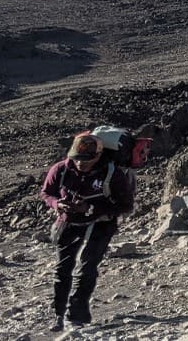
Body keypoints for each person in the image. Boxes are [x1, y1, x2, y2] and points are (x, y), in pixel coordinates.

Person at [40, 132, 136, 331]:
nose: (81, 164)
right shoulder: (60, 169)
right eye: (77, 159)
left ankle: (77, 315)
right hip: (68, 222)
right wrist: (57, 204)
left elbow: (126, 205)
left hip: (100, 224)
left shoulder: (112, 174)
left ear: (98, 156)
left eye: (87, 160)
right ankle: (58, 315)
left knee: (87, 267)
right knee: (62, 268)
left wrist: (92, 209)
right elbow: (46, 193)